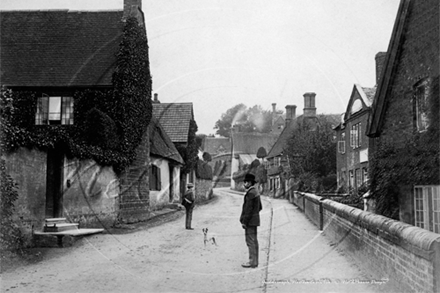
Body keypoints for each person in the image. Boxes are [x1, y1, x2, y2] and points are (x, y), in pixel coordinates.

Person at [239, 173, 262, 268]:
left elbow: (248, 210)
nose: (244, 184)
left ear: (249, 183)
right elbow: (260, 207)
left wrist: (244, 221)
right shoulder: (256, 192)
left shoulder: (250, 193)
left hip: (250, 222)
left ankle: (252, 262)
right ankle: (255, 261)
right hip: (254, 221)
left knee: (250, 241)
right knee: (254, 241)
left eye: (245, 182)